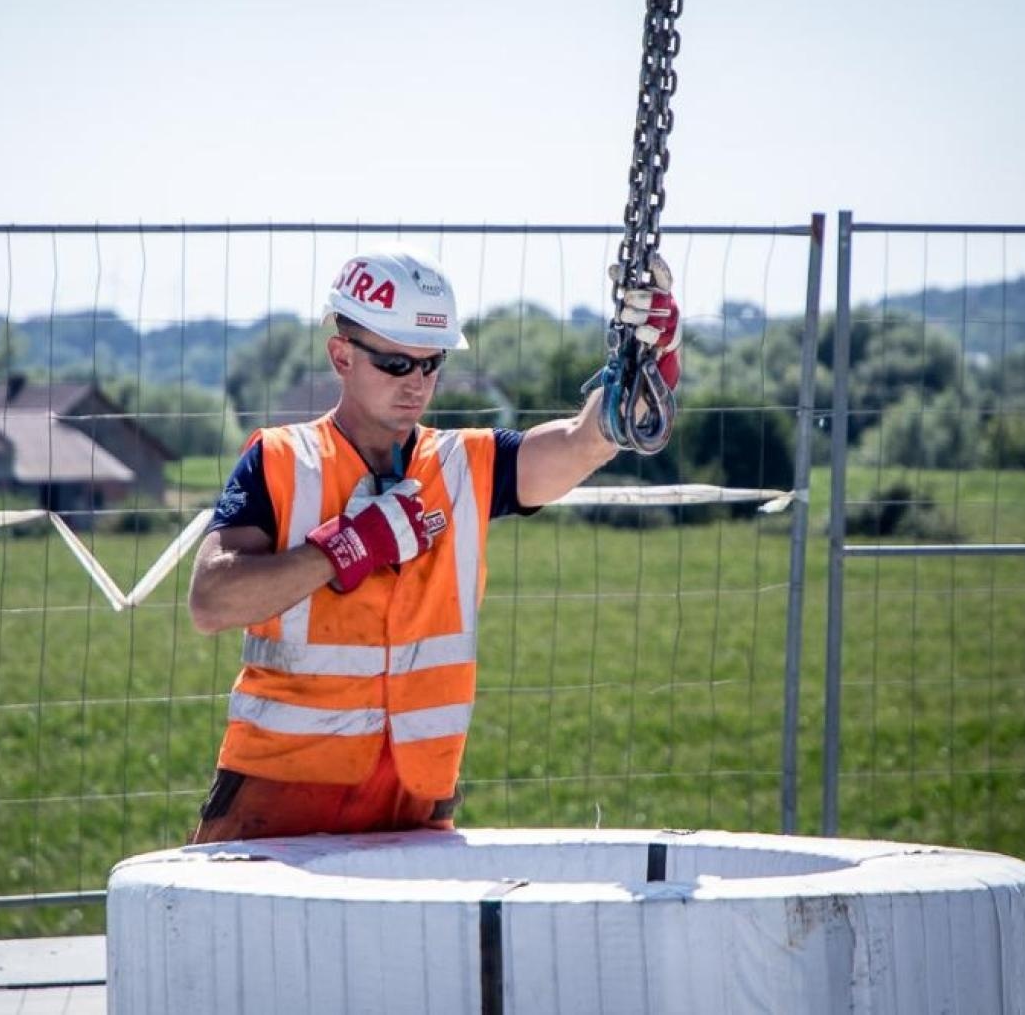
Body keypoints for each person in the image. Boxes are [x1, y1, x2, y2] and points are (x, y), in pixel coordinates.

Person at [185, 243, 680, 842]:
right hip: (277, 793)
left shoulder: (465, 464)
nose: (417, 383)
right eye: (396, 364)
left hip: (415, 797)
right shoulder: (281, 460)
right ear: (341, 355)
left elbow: (582, 440)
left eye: (431, 363)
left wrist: (646, 365)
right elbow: (211, 602)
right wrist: (343, 549)